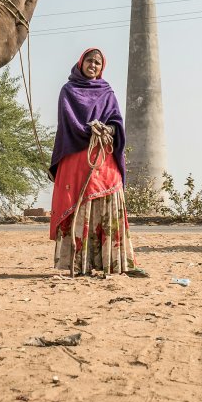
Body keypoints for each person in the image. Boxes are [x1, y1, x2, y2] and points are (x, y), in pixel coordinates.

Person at [49, 48, 144, 277]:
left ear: (102, 68)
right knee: (80, 208)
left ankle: (113, 264)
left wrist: (108, 129)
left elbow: (116, 121)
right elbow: (69, 123)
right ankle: (79, 265)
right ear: (80, 63)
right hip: (77, 158)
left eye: (98, 63)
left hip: (103, 158)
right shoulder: (68, 91)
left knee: (109, 202)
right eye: (90, 61)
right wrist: (90, 129)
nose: (93, 65)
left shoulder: (107, 92)